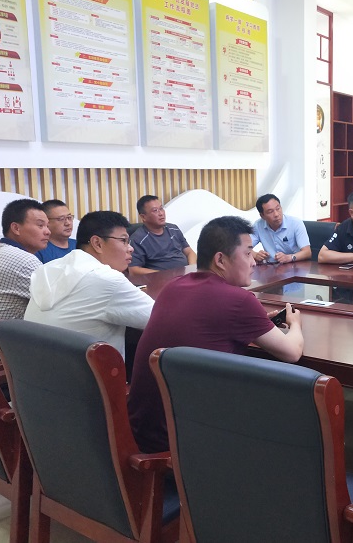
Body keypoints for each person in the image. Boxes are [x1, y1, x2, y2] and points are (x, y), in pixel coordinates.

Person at [128, 216, 304, 453]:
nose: (253, 262)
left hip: (143, 431)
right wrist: (295, 324)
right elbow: (292, 352)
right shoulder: (239, 300)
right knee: (288, 406)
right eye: (248, 253)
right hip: (186, 440)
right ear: (220, 259)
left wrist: (255, 324)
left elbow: (207, 325)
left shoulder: (173, 286)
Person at [24, 211, 154, 359]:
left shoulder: (49, 268)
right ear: (97, 243)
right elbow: (160, 319)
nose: (130, 248)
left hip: (36, 368)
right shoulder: (106, 278)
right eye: (123, 240)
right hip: (85, 371)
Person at [128, 195, 196, 275]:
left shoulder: (174, 229)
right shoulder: (138, 239)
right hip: (162, 279)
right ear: (143, 217)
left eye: (161, 208)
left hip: (185, 275)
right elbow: (133, 270)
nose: (161, 213)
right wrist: (164, 275)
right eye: (155, 210)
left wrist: (191, 269)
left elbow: (189, 252)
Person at [251, 193, 311, 264]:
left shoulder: (295, 223)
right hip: (271, 266)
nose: (276, 214)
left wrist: (289, 257)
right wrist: (255, 254)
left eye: (278, 209)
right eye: (270, 212)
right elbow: (242, 248)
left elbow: (307, 252)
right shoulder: (258, 225)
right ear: (262, 216)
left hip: (294, 265)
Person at [35, 199, 76, 263]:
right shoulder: (39, 250)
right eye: (61, 219)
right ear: (47, 222)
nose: (68, 223)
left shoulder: (79, 246)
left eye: (69, 217)